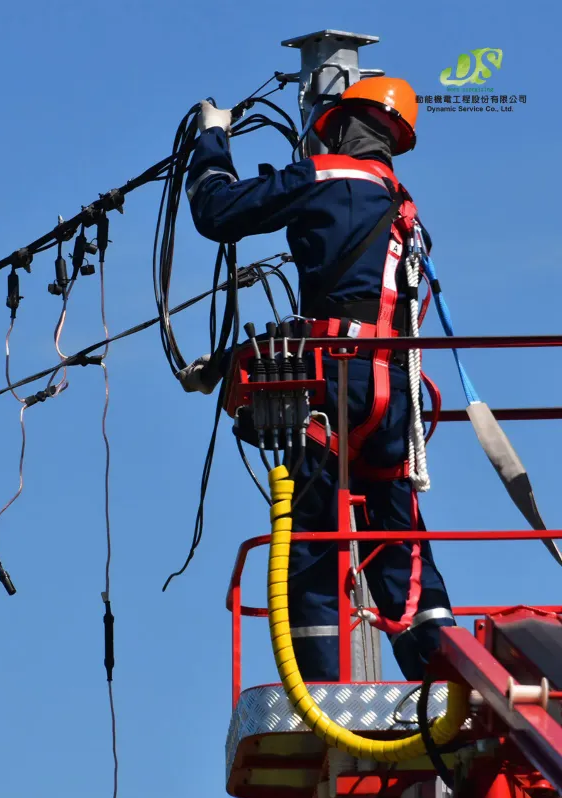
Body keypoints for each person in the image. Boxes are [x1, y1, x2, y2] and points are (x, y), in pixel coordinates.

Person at [179, 78, 454, 681]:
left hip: (332, 386)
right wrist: (227, 365)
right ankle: (445, 672)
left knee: (314, 543)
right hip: (392, 397)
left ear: (336, 126)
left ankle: (324, 690)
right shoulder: (404, 207)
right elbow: (364, 308)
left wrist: (213, 137)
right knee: (400, 544)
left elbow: (216, 210)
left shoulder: (323, 178)